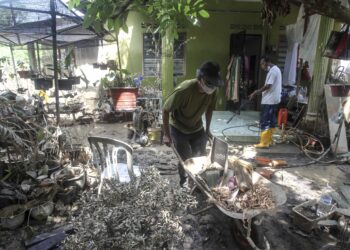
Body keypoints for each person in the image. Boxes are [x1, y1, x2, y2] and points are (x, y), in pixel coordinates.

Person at [163, 61, 223, 186]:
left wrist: (207, 130)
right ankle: (184, 182)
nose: (211, 87)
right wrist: (167, 135)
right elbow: (165, 110)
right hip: (178, 128)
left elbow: (210, 109)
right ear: (201, 78)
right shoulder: (185, 90)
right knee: (186, 159)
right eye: (209, 83)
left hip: (197, 127)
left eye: (214, 85)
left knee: (201, 157)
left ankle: (198, 183)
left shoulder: (213, 91)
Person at [249, 56, 282, 148]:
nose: (261, 66)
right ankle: (269, 141)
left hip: (269, 100)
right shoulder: (276, 69)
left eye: (262, 64)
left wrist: (256, 92)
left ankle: (264, 143)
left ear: (267, 63)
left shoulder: (272, 71)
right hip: (274, 100)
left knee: (265, 121)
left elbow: (268, 86)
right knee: (271, 121)